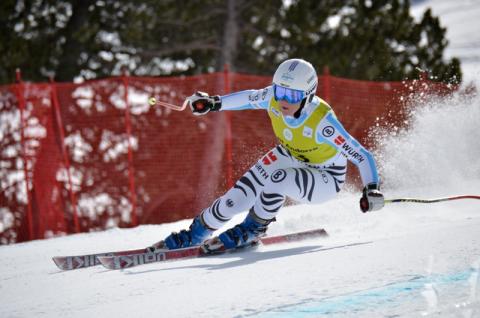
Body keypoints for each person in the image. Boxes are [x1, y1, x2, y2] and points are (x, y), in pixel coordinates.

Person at [154, 58, 384, 252]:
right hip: (288, 155)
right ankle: (194, 235)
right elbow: (248, 98)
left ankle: (253, 228)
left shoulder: (322, 122)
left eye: (292, 96)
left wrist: (372, 188)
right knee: (236, 196)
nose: (283, 100)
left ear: (308, 96)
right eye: (280, 91)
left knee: (279, 178)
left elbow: (362, 156)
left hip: (324, 176)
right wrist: (214, 103)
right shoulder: (272, 98)